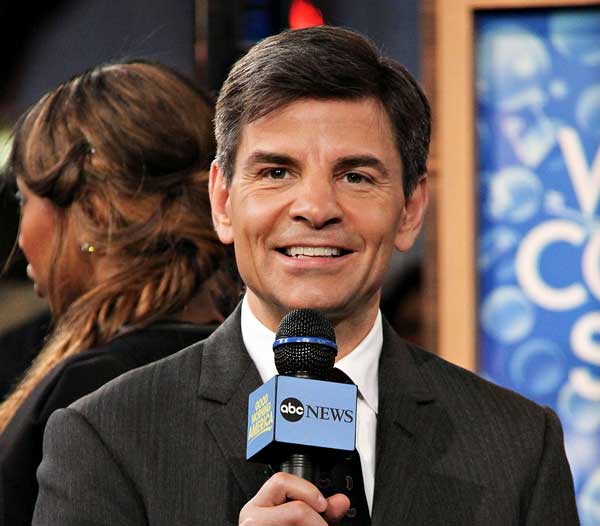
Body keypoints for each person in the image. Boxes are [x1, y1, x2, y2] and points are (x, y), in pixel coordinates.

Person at [33, 27, 578, 526]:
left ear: (411, 209)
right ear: (222, 201)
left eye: (356, 176)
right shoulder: (106, 438)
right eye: (276, 172)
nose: (316, 208)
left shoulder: (519, 446)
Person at [0, 59, 240, 526]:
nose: (21, 237)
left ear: (94, 213)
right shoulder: (258, 370)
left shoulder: (90, 389)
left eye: (24, 200)